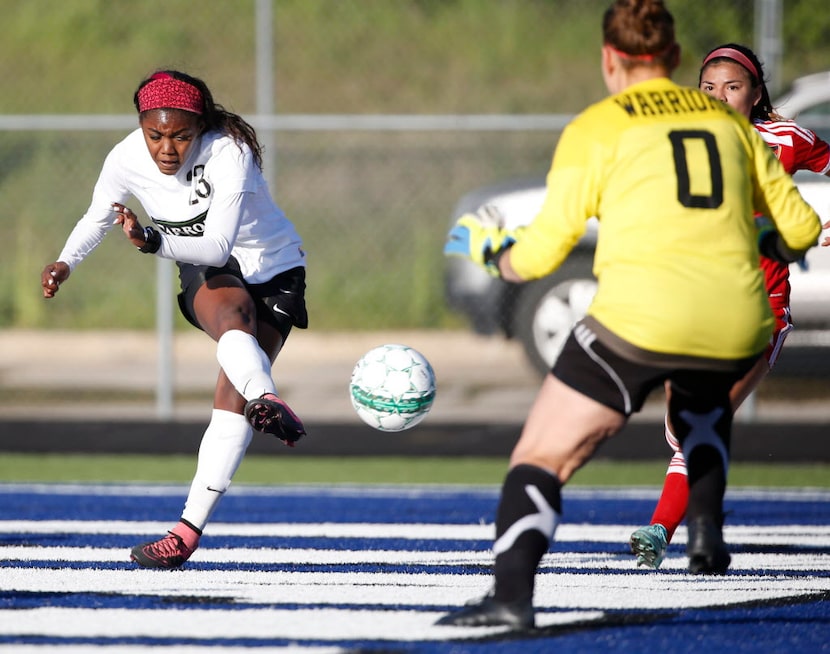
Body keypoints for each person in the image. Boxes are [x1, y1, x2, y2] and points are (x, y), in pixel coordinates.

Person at [436, 0, 822, 631]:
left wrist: (490, 252)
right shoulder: (733, 127)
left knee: (540, 454)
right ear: (673, 60)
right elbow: (801, 228)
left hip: (640, 318)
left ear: (610, 59)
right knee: (702, 400)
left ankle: (510, 598)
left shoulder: (598, 125)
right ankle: (703, 524)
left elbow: (541, 254)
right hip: (737, 316)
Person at [40, 70, 309, 569]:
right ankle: (265, 397)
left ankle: (186, 532)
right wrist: (65, 262)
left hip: (274, 268)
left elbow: (219, 242)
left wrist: (152, 241)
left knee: (230, 402)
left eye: (181, 135)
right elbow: (100, 213)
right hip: (207, 268)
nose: (167, 148)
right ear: (141, 127)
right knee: (232, 317)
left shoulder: (230, 152)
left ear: (200, 127)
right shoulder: (124, 157)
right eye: (155, 134)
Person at [628, 43, 830, 570]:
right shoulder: (680, 143)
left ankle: (664, 530)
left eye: (733, 87)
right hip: (698, 304)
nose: (719, 98)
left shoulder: (782, 140)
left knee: (703, 416)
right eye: (709, 88)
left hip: (762, 308)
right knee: (683, 424)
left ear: (756, 93)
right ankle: (700, 527)